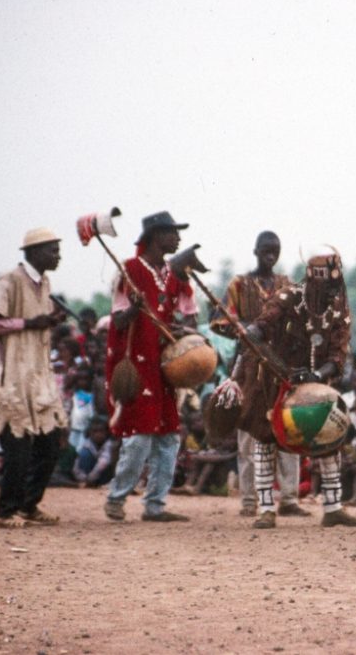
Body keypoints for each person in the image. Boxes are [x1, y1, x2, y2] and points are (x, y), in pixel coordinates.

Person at [242, 246, 356, 529]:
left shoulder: (339, 308)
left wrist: (317, 375)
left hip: (316, 385)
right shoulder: (289, 297)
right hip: (276, 380)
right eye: (329, 285)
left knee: (331, 437)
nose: (335, 291)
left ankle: (333, 508)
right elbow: (266, 320)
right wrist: (254, 332)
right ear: (313, 279)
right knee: (265, 438)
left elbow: (338, 354)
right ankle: (265, 509)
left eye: (337, 284)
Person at [103, 212, 197, 523]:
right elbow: (116, 320)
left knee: (169, 435)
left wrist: (183, 331)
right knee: (139, 434)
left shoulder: (173, 274)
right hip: (137, 364)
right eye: (173, 233)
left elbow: (186, 316)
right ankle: (116, 499)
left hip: (165, 367)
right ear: (156, 235)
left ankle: (155, 505)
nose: (178, 239)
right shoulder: (128, 271)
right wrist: (134, 309)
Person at [0, 227, 68, 527]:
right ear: (34, 251)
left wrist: (49, 321)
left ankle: (28, 505)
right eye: (52, 250)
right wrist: (28, 322)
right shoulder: (11, 280)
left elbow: (37, 323)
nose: (58, 255)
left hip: (37, 374)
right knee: (18, 444)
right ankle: (5, 511)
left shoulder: (45, 282)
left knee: (50, 441)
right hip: (11, 375)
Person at [215, 231, 306, 519]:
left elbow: (301, 318)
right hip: (250, 364)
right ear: (256, 251)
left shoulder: (287, 285)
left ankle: (289, 498)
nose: (272, 254)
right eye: (267, 249)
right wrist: (241, 327)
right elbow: (219, 319)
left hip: (281, 366)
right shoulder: (239, 285)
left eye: (276, 250)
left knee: (288, 428)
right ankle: (249, 499)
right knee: (249, 433)